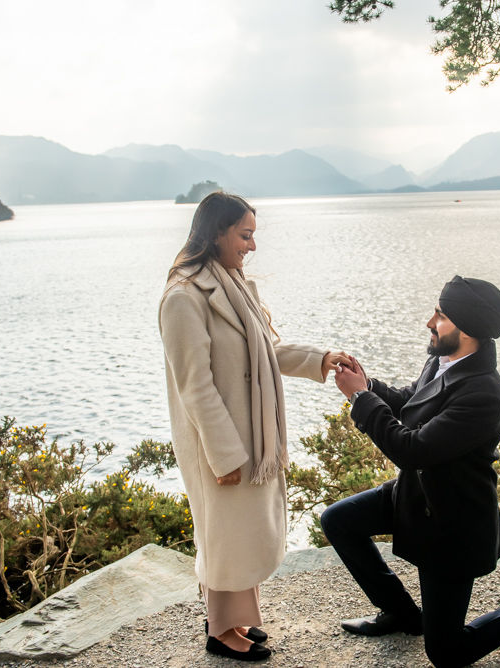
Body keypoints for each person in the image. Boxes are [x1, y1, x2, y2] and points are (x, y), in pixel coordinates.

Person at [323, 276, 500, 668]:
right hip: (415, 496)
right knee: (339, 520)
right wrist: (369, 383)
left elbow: (412, 450)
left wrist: (360, 398)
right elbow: (409, 402)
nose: (430, 322)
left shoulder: (484, 394)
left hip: (453, 524)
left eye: (441, 316)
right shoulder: (443, 359)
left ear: (469, 328)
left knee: (446, 653)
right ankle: (403, 614)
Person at [159, 192, 349, 662]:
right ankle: (219, 631)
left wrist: (319, 360)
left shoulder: (235, 284)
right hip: (218, 441)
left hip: (248, 433)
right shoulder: (183, 297)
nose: (252, 246)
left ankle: (237, 618)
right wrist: (224, 455)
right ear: (217, 233)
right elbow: (195, 387)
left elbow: (265, 352)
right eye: (245, 236)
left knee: (241, 532)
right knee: (224, 534)